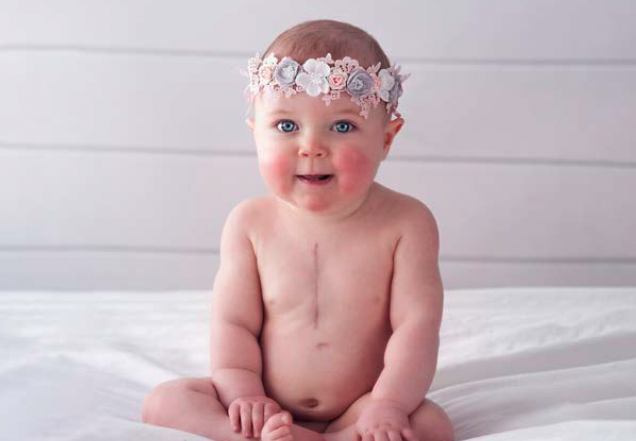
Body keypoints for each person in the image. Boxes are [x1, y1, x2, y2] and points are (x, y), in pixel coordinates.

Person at [142, 18, 454, 441]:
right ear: (257, 135)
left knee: (431, 426)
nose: (311, 147)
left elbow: (416, 328)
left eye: (343, 126)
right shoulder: (250, 223)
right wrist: (244, 396)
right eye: (286, 126)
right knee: (164, 402)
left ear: (386, 138)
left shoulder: (406, 223)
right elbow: (233, 324)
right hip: (263, 403)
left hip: (363, 405)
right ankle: (250, 434)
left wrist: (388, 405)